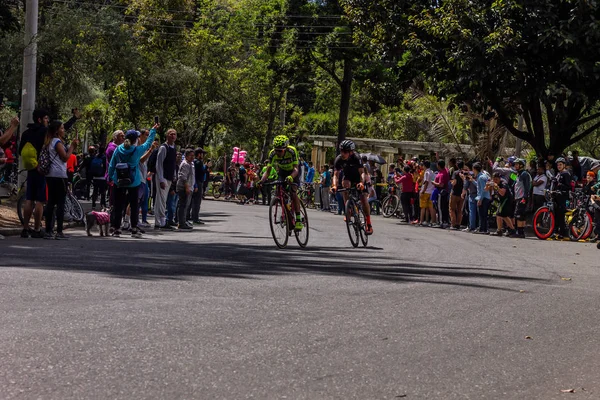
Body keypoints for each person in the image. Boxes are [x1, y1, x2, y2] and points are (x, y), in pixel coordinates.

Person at [19, 109, 79, 238]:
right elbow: (58, 129)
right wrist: (73, 119)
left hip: (31, 169)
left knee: (29, 199)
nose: (47, 121)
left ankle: (25, 229)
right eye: (46, 118)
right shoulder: (45, 133)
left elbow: (20, 151)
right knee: (41, 200)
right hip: (43, 170)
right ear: (40, 119)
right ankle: (36, 229)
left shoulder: (26, 133)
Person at [108, 125, 157, 238]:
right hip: (133, 181)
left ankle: (116, 229)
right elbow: (149, 143)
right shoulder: (137, 150)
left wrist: (112, 177)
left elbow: (112, 165)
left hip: (119, 180)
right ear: (136, 139)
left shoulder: (118, 149)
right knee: (134, 205)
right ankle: (134, 229)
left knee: (118, 205)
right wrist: (153, 130)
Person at [43, 120, 80, 239]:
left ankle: (48, 230)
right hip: (59, 175)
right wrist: (72, 147)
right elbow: (65, 158)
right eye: (62, 128)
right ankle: (59, 231)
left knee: (51, 202)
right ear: (57, 130)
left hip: (51, 175)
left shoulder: (49, 141)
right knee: (60, 203)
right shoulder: (57, 142)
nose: (64, 131)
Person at [260, 135, 304, 231]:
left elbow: (296, 169)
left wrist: (291, 177)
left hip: (294, 171)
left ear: (286, 148)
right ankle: (287, 215)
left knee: (293, 192)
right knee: (280, 193)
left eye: (280, 150)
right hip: (283, 172)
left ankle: (298, 219)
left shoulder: (292, 151)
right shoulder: (272, 154)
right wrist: (261, 181)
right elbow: (267, 171)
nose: (278, 152)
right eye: (276, 150)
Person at [331, 140, 373, 235]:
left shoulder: (356, 157)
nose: (342, 154)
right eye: (341, 151)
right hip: (348, 177)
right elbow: (335, 175)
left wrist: (362, 183)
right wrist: (334, 185)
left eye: (345, 152)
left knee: (363, 199)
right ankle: (348, 209)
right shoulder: (339, 159)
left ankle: (369, 223)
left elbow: (362, 172)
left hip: (358, 177)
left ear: (351, 152)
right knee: (344, 186)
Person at [154, 128, 177, 230]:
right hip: (162, 178)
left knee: (161, 200)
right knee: (161, 200)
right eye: (171, 134)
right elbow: (159, 164)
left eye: (174, 134)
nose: (173, 136)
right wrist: (161, 179)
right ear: (167, 136)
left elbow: (173, 163)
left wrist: (174, 175)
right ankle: (162, 221)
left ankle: (158, 221)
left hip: (169, 177)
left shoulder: (174, 147)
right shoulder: (164, 147)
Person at [510, 158, 532, 238]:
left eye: (517, 164)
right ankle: (521, 232)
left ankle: (520, 232)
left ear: (521, 165)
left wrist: (525, 197)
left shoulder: (524, 174)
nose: (515, 166)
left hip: (522, 197)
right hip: (518, 197)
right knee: (521, 215)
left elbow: (527, 187)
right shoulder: (519, 174)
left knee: (519, 215)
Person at [553, 157, 572, 240]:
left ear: (564, 165)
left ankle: (563, 233)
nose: (559, 166)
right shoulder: (558, 174)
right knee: (556, 214)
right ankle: (555, 231)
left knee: (561, 215)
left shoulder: (566, 174)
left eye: (560, 165)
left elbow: (568, 186)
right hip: (557, 196)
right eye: (558, 165)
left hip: (563, 197)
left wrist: (560, 185)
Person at [177, 149, 195, 230]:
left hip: (189, 187)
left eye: (193, 155)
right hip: (183, 188)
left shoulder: (191, 164)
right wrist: (187, 187)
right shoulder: (185, 164)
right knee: (183, 205)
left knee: (185, 206)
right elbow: (183, 177)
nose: (192, 157)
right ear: (186, 156)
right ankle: (181, 223)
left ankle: (183, 221)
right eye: (191, 155)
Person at [473, 162, 492, 234]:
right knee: (484, 214)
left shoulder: (481, 177)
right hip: (486, 197)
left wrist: (480, 199)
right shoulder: (484, 176)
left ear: (475, 169)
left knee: (482, 214)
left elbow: (483, 189)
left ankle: (482, 229)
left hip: (483, 197)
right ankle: (484, 228)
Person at [190, 147, 207, 224]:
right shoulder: (198, 162)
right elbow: (201, 172)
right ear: (199, 154)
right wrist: (206, 167)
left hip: (195, 182)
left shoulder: (194, 162)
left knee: (192, 201)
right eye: (202, 154)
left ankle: (191, 216)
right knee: (197, 201)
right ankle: (195, 218)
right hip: (198, 182)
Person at [461, 163, 478, 232]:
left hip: (472, 194)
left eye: (466, 169)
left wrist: (463, 193)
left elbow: (466, 186)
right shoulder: (478, 174)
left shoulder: (469, 175)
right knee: (477, 212)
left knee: (471, 211)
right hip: (478, 194)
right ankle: (476, 226)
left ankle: (471, 226)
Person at [419, 160, 436, 226]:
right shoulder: (432, 172)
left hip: (425, 192)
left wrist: (423, 191)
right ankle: (432, 221)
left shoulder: (426, 173)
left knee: (423, 207)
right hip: (431, 191)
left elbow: (426, 182)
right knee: (430, 207)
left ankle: (421, 221)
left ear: (424, 166)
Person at [449, 160, 465, 230]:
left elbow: (454, 183)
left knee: (452, 209)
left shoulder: (455, 173)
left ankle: (453, 224)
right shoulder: (464, 173)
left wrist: (451, 182)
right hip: (461, 193)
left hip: (455, 193)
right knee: (459, 210)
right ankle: (458, 223)